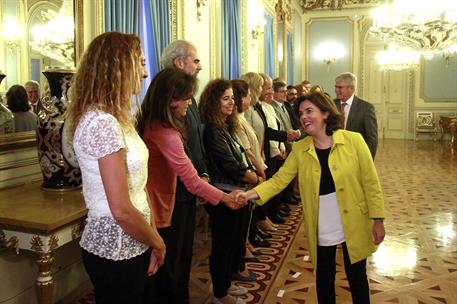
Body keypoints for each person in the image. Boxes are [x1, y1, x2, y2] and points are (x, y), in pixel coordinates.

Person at [236, 91, 386, 304]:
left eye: (309, 111)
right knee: (324, 277)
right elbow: (279, 180)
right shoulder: (300, 148)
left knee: (357, 277)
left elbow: (371, 183)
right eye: (300, 113)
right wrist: (249, 195)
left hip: (353, 219)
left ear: (325, 113)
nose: (303, 117)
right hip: (321, 221)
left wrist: (378, 220)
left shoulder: (354, 141)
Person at [68, 32, 165, 304]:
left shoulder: (116, 118)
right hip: (118, 247)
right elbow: (121, 210)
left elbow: (138, 189)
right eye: (141, 63)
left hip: (134, 238)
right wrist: (157, 242)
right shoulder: (102, 123)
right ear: (118, 67)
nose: (145, 73)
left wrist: (152, 235)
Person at [138, 67, 241, 303]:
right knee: (170, 272)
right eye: (185, 98)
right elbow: (191, 179)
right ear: (170, 98)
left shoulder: (153, 122)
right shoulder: (164, 131)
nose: (189, 103)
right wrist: (226, 198)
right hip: (161, 206)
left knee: (173, 268)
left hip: (162, 202)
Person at [148, 39, 206, 304]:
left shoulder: (187, 100)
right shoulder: (165, 106)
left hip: (187, 187)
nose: (200, 66)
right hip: (172, 193)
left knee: (184, 254)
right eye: (195, 61)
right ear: (179, 63)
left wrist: (202, 174)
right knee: (170, 258)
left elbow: (196, 141)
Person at [200, 79, 260, 304]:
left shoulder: (226, 125)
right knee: (223, 246)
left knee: (234, 243)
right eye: (225, 98)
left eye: (232, 99)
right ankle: (219, 293)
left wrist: (252, 176)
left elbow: (241, 155)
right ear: (213, 101)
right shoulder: (213, 130)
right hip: (224, 195)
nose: (231, 103)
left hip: (238, 192)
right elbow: (229, 165)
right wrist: (254, 177)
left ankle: (226, 284)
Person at [334, 72, 378, 158]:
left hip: (355, 155)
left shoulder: (366, 108)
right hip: (334, 155)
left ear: (351, 88)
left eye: (340, 87)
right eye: (335, 87)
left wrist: (368, 160)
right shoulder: (331, 104)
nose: (336, 90)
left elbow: (372, 139)